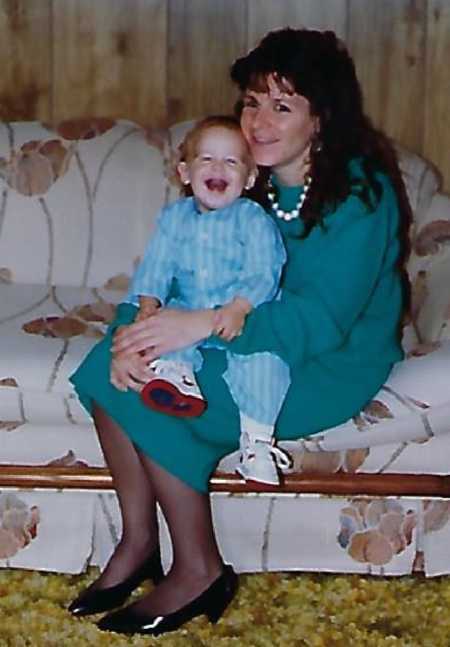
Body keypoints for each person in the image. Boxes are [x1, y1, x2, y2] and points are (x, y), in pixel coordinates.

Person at [69, 27, 411, 637]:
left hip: (327, 359)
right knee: (107, 367)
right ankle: (139, 542)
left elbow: (320, 321)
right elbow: (181, 268)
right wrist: (135, 330)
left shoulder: (360, 193)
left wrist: (196, 327)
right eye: (252, 101)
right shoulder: (238, 175)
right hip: (235, 337)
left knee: (164, 402)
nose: (258, 120)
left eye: (283, 105)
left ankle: (199, 568)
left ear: (322, 118)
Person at [126, 115, 292, 485]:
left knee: (265, 364)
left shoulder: (252, 219)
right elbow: (157, 262)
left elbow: (266, 269)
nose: (219, 168)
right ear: (185, 172)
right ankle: (177, 381)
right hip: (188, 310)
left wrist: (240, 307)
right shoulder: (174, 217)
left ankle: (257, 441)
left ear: (249, 178)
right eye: (207, 159)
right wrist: (148, 304)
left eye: (231, 162)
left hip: (242, 318)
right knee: (162, 332)